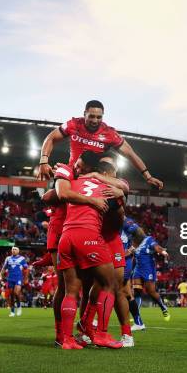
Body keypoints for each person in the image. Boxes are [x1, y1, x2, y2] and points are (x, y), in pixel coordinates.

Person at [54, 154, 124, 349]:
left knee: (71, 291)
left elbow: (50, 197)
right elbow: (119, 218)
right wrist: (120, 196)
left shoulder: (72, 182)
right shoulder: (108, 188)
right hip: (88, 235)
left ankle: (67, 339)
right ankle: (101, 334)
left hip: (66, 238)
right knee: (109, 284)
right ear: (105, 174)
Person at [36, 100, 163, 190]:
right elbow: (51, 138)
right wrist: (43, 161)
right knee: (56, 199)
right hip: (73, 173)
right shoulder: (74, 125)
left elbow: (130, 154)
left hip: (94, 179)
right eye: (91, 116)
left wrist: (148, 177)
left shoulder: (110, 134)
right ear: (84, 113)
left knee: (118, 195)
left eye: (99, 117)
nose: (95, 120)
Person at [131, 226, 170, 322]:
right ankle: (136, 315)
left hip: (148, 269)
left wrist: (164, 253)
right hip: (138, 269)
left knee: (151, 292)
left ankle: (163, 307)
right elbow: (133, 256)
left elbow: (157, 247)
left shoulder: (148, 239)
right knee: (136, 292)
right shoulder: (133, 243)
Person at [0, 247, 29, 317]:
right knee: (11, 296)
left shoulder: (22, 258)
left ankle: (19, 307)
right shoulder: (8, 258)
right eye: (13, 249)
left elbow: (26, 269)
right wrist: (0, 275)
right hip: (10, 279)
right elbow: (4, 268)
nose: (13, 250)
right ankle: (12, 311)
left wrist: (26, 279)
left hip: (18, 278)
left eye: (15, 249)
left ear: (18, 251)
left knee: (16, 293)